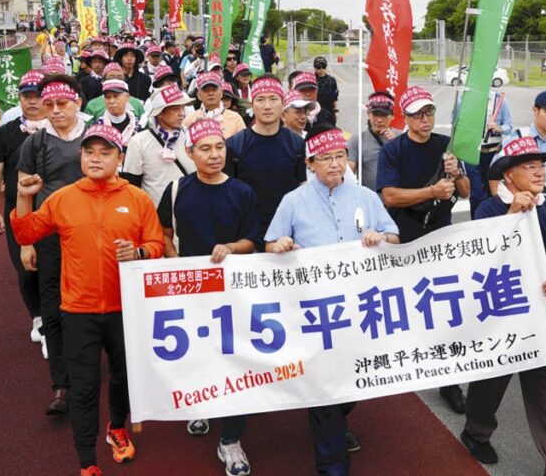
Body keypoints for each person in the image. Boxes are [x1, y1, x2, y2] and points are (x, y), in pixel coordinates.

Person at [11, 123, 164, 476]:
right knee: (83, 386)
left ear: (120, 158)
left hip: (125, 309)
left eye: (105, 152)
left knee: (123, 377)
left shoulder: (136, 199)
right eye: (89, 152)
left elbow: (156, 246)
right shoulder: (63, 198)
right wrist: (23, 195)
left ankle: (117, 428)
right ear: (80, 155)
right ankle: (87, 461)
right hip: (77, 310)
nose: (95, 159)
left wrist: (138, 252)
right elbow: (26, 231)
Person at [266, 124, 399, 476]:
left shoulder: (367, 197)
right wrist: (280, 246)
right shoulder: (293, 201)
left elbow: (395, 236)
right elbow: (271, 244)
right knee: (324, 384)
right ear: (311, 162)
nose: (335, 165)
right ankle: (332, 465)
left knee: (352, 380)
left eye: (340, 157)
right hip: (316, 310)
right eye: (326, 158)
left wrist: (381, 237)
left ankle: (334, 420)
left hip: (361, 307)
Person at [461, 137, 546, 475]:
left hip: (541, 313)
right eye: (531, 167)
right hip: (503, 312)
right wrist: (512, 215)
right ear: (509, 176)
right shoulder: (489, 209)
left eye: (542, 166)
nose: (540, 173)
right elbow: (483, 261)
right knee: (491, 380)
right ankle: (476, 432)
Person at [156, 118, 258, 473]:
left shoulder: (242, 192)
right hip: (190, 292)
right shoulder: (176, 190)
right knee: (198, 356)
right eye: (205, 149)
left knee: (233, 358)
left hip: (233, 293)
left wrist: (231, 247)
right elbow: (163, 232)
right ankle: (201, 407)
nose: (214, 155)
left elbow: (252, 241)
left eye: (219, 147)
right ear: (190, 152)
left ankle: (230, 439)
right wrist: (175, 262)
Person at [377, 85, 470, 413]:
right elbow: (388, 196)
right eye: (417, 114)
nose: (425, 119)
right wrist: (431, 190)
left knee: (444, 305)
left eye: (429, 112)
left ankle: (449, 382)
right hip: (405, 232)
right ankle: (400, 364)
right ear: (405, 117)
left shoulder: (446, 146)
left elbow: (466, 191)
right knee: (403, 303)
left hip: (441, 233)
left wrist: (456, 172)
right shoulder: (394, 149)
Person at [17, 75, 91, 415]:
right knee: (52, 306)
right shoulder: (35, 143)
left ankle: (92, 369)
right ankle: (61, 385)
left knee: (93, 305)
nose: (57, 111)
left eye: (63, 103)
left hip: (91, 235)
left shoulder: (95, 135)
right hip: (49, 237)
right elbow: (23, 192)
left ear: (77, 101)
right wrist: (25, 243)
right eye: (50, 105)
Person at [0, 70, 46, 352]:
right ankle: (37, 317)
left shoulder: (59, 131)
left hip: (54, 213)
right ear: (19, 99)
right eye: (26, 96)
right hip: (18, 214)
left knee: (56, 268)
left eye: (37, 96)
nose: (32, 102)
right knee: (26, 268)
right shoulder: (5, 134)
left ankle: (54, 323)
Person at [223, 75, 306, 251]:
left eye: (273, 99)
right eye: (260, 100)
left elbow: (302, 187)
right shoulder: (234, 145)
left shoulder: (297, 143)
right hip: (246, 237)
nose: (267, 106)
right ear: (252, 104)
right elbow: (228, 195)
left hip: (287, 235)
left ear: (283, 104)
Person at [123, 84, 197, 206]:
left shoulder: (191, 136)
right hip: (154, 215)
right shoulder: (138, 142)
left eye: (182, 108)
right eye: (175, 109)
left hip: (190, 208)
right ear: (160, 114)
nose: (182, 113)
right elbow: (132, 185)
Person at [461, 87, 513, 216]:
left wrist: (499, 128)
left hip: (491, 153)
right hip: (471, 152)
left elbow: (509, 126)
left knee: (492, 191)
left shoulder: (500, 100)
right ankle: (476, 222)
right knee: (477, 192)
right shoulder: (465, 100)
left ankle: (490, 223)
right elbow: (455, 122)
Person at [347, 91, 401, 192]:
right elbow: (348, 175)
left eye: (384, 115)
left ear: (392, 115)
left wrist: (396, 144)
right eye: (375, 114)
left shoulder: (402, 138)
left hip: (396, 201)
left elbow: (411, 169)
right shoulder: (357, 140)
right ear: (368, 114)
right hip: (368, 201)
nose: (379, 120)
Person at [183, 71, 247, 139]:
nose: (210, 93)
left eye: (214, 90)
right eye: (206, 90)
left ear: (221, 93)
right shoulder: (190, 119)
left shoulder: (235, 118)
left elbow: (245, 145)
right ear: (199, 95)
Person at [314, 56, 339, 122]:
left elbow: (335, 97)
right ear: (315, 68)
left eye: (323, 66)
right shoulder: (312, 80)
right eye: (319, 67)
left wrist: (336, 111)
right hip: (316, 111)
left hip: (329, 111)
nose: (321, 69)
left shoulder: (331, 80)